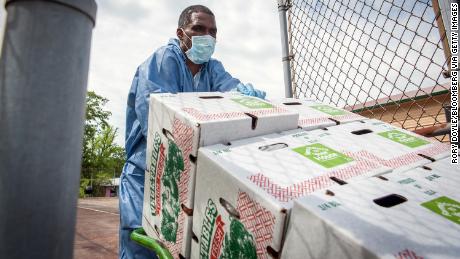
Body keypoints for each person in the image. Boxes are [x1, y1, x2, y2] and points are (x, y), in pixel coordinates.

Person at [119, 5, 265, 258]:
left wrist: (243, 98)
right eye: (198, 28)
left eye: (212, 32)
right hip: (148, 174)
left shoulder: (212, 68)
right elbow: (159, 119)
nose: (206, 37)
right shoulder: (164, 60)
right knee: (143, 247)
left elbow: (229, 89)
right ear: (181, 33)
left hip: (184, 177)